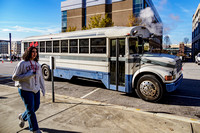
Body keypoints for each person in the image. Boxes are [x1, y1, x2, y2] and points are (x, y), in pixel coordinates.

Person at [12, 46, 45, 133]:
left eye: (36, 52)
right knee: (30, 109)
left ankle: (23, 117)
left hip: (36, 89)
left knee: (36, 107)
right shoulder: (22, 64)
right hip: (25, 89)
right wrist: (28, 75)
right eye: (32, 51)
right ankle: (35, 129)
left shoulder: (38, 65)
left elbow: (40, 78)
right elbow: (14, 77)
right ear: (28, 52)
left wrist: (43, 89)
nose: (34, 53)